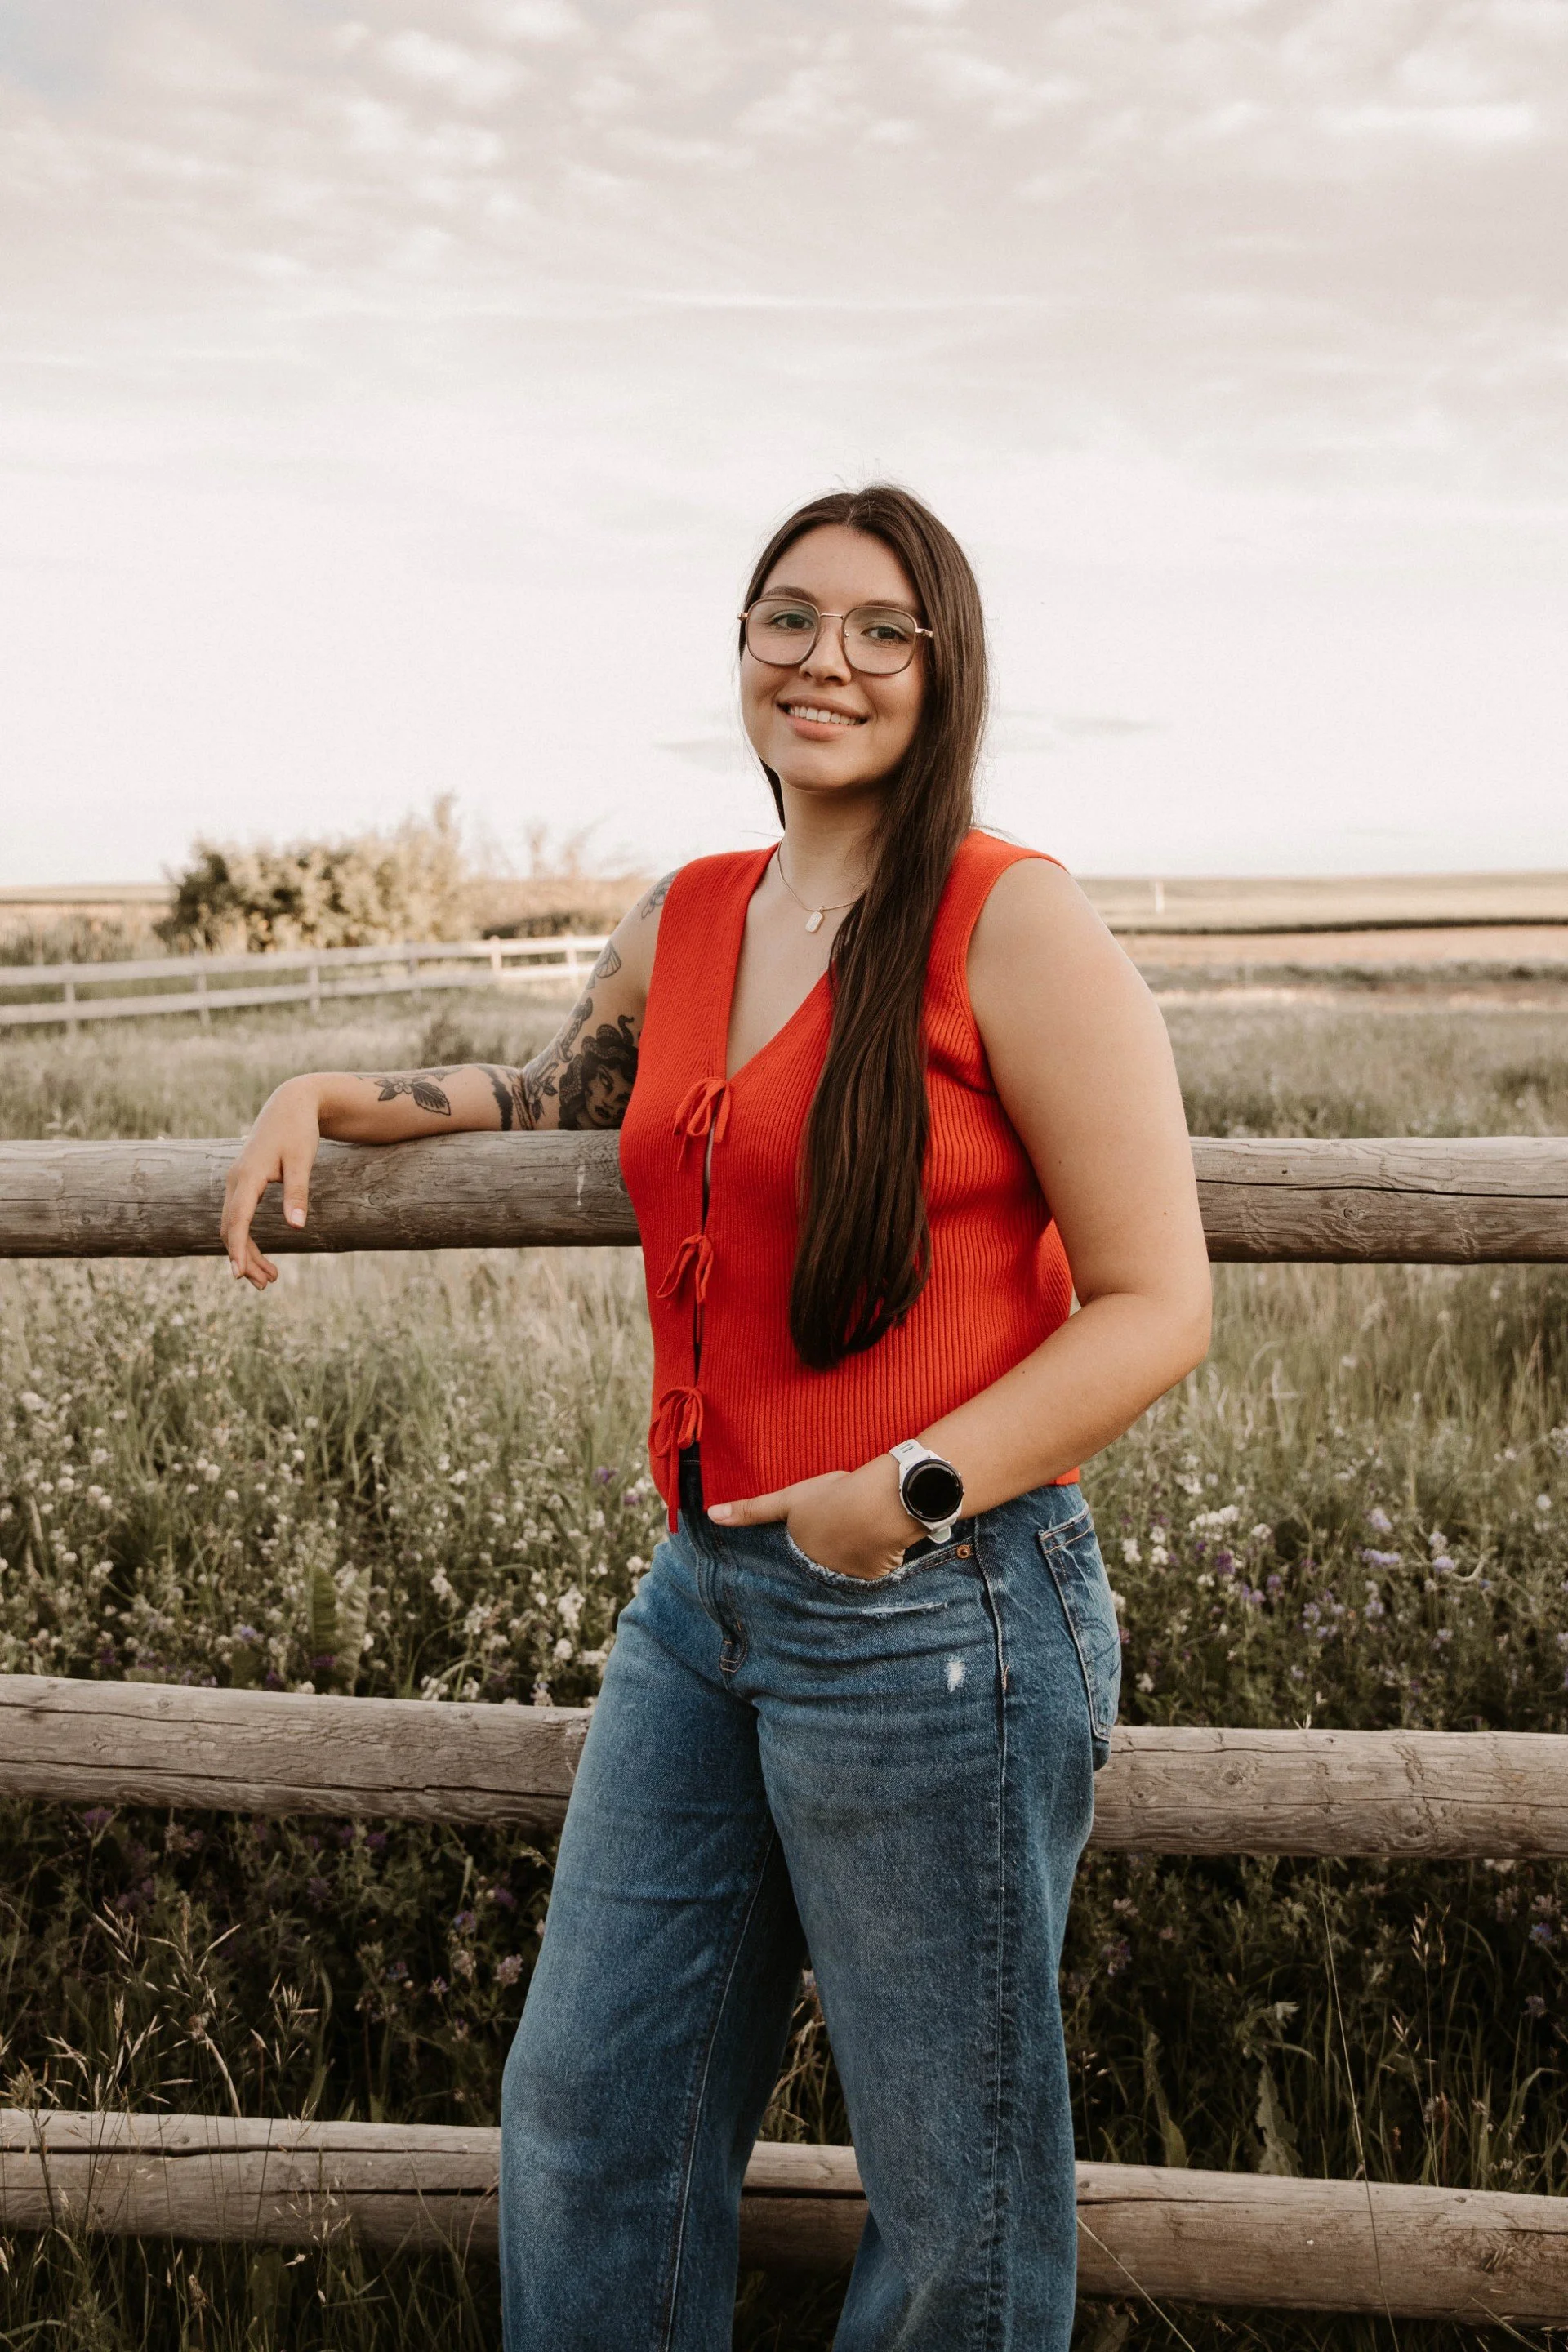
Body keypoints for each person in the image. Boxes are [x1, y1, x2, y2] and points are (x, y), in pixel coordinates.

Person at [221, 484, 1211, 2350]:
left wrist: (902, 1491)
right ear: (740, 651)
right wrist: (331, 1089)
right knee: (592, 2115)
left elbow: (1163, 1304)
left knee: (953, 2209)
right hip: (706, 1599)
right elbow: (561, 1088)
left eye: (878, 629)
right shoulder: (687, 912)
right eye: (786, 619)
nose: (824, 660)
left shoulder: (1018, 923)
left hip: (941, 1606)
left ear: (944, 668)